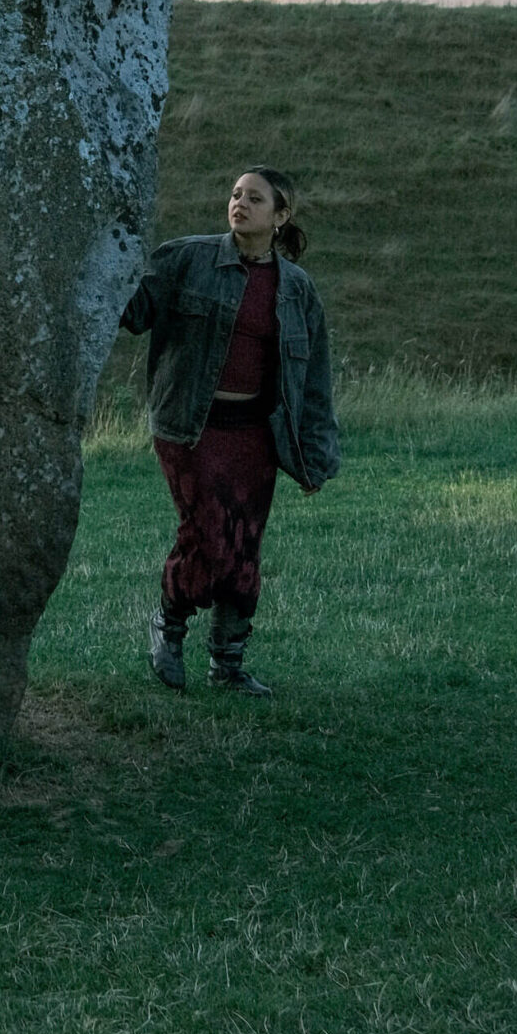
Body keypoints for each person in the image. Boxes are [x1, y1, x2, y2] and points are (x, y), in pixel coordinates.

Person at [118, 167, 338, 697]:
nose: (240, 204)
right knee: (210, 536)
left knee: (243, 545)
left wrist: (313, 457)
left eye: (255, 199)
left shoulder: (296, 289)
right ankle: (169, 624)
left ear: (281, 216)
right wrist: (111, 256)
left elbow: (313, 381)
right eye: (236, 195)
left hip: (255, 436)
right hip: (188, 426)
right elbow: (132, 313)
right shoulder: (186, 258)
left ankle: (228, 664)